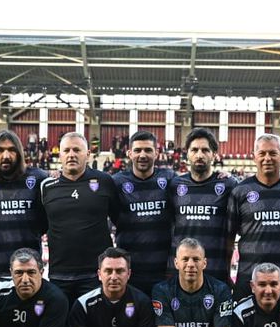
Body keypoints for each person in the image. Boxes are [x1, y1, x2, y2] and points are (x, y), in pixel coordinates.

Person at [39, 132, 121, 305]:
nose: (71, 154)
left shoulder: (105, 181)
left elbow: (118, 218)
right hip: (59, 274)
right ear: (59, 155)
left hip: (95, 274)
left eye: (77, 150)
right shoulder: (47, 186)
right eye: (66, 150)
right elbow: (41, 224)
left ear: (88, 154)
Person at [227, 133, 280, 298]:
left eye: (273, 153)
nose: (267, 158)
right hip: (249, 278)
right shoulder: (240, 191)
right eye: (262, 153)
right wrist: (226, 272)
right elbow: (228, 237)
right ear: (254, 156)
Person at [0, 130, 48, 290]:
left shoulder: (38, 178)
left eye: (11, 150)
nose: (5, 155)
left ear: (19, 153)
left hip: (28, 273)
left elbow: (46, 223)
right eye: (0, 150)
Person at [168, 128, 236, 284]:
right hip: (181, 273)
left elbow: (232, 230)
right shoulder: (175, 185)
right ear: (187, 154)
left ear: (214, 154)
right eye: (194, 150)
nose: (199, 155)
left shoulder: (228, 184)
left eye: (205, 150)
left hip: (216, 272)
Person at [112, 131, 175, 296]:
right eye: (138, 150)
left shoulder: (170, 179)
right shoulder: (116, 182)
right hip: (129, 272)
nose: (142, 155)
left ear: (157, 153)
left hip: (163, 272)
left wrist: (220, 177)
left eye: (148, 150)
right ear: (129, 153)